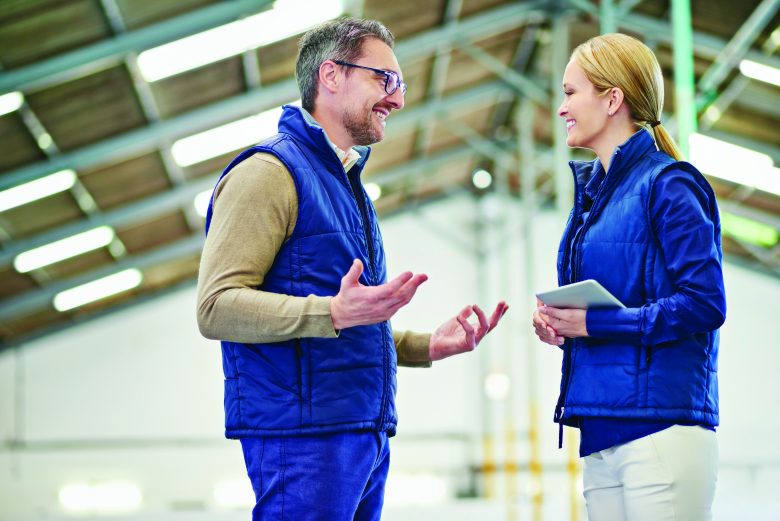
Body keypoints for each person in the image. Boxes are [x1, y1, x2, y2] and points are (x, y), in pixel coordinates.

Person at [196, 17, 508, 521]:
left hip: (360, 430)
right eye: (384, 79)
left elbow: (350, 320)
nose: (398, 98)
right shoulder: (268, 174)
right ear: (331, 76)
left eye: (399, 83)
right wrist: (334, 312)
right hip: (304, 437)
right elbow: (215, 309)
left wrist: (426, 345)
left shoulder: (346, 185)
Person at [532, 33, 726, 521]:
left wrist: (593, 325)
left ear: (612, 98)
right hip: (602, 428)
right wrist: (564, 329)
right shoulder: (598, 198)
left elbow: (705, 304)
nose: (562, 108)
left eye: (571, 92)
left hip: (660, 431)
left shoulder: (670, 185)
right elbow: (614, 308)